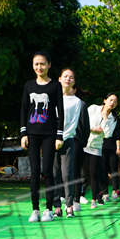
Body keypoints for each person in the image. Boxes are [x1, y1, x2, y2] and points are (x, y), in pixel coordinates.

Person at [19, 51, 64, 223]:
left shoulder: (55, 86)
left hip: (50, 134)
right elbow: (23, 109)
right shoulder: (29, 86)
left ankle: (48, 209)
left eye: (42, 64)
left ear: (49, 65)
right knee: (35, 171)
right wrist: (23, 133)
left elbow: (60, 111)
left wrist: (59, 135)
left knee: (47, 171)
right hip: (32, 134)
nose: (39, 67)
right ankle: (35, 209)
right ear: (33, 66)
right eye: (36, 64)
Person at [54, 68, 88, 217]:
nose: (68, 79)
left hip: (68, 141)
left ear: (74, 81)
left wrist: (64, 138)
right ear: (59, 79)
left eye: (71, 77)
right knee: (53, 174)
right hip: (51, 141)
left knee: (67, 174)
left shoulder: (78, 102)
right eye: (65, 76)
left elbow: (78, 125)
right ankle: (56, 207)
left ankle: (69, 205)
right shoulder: (51, 99)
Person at [83, 94, 118, 207]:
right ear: (105, 100)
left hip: (97, 147)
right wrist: (92, 129)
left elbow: (108, 134)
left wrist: (100, 131)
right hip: (84, 144)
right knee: (85, 173)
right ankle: (78, 197)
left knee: (95, 173)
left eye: (115, 101)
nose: (112, 102)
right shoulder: (93, 108)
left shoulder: (113, 119)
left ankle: (97, 197)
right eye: (111, 100)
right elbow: (83, 122)